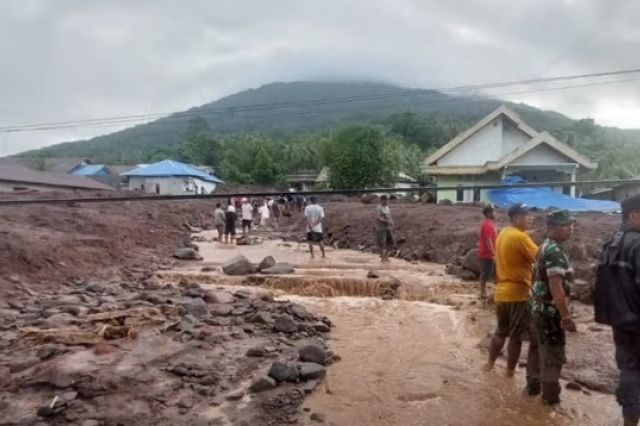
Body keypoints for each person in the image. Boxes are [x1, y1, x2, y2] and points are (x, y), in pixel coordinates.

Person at [594, 194, 640, 426]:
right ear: (634, 215)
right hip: (636, 320)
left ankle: (629, 422)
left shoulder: (611, 242)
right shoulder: (638, 244)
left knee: (628, 371)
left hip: (619, 321)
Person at [526, 210, 577, 406]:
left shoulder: (544, 246)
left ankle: (532, 389)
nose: (570, 228)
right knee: (553, 355)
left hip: (537, 308)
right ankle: (549, 401)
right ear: (551, 228)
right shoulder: (555, 251)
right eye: (565, 225)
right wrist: (565, 317)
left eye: (571, 224)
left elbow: (534, 276)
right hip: (549, 312)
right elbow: (556, 286)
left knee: (536, 349)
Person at [484, 203, 538, 376]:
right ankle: (509, 373)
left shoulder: (504, 233)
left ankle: (489, 364)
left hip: (501, 293)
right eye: (526, 215)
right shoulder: (521, 237)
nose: (531, 217)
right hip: (518, 294)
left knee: (500, 332)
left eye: (530, 214)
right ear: (516, 218)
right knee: (515, 337)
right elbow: (541, 258)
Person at [478, 205, 498, 299]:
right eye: (494, 212)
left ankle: (493, 292)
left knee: (493, 273)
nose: (495, 213)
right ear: (488, 213)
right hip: (487, 254)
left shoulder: (490, 224)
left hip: (489, 253)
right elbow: (488, 240)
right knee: (485, 274)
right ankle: (482, 293)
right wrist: (493, 253)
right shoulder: (487, 225)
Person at [375, 195, 394, 263]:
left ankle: (386, 257)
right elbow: (378, 217)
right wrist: (386, 221)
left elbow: (389, 216)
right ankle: (383, 259)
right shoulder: (378, 208)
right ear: (382, 200)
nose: (387, 201)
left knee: (391, 243)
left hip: (388, 228)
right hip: (381, 228)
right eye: (386, 200)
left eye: (387, 200)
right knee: (382, 244)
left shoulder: (387, 207)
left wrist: (392, 222)